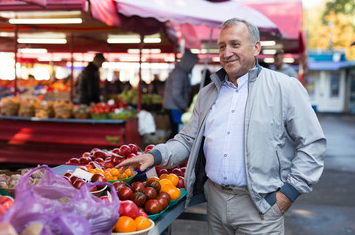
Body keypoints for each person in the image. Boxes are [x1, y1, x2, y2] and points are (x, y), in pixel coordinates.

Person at [117, 18, 326, 234]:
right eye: (222, 46)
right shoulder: (208, 92)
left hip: (261, 207)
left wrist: (288, 194)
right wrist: (155, 156)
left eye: (235, 44)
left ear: (256, 47)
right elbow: (188, 139)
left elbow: (312, 144)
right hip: (216, 203)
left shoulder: (284, 87)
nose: (227, 53)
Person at [163, 50, 199, 139]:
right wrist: (184, 106)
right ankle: (170, 151)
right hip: (175, 107)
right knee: (176, 132)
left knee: (175, 131)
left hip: (174, 106)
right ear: (188, 62)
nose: (193, 66)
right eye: (193, 64)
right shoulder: (179, 74)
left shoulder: (180, 72)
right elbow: (176, 93)